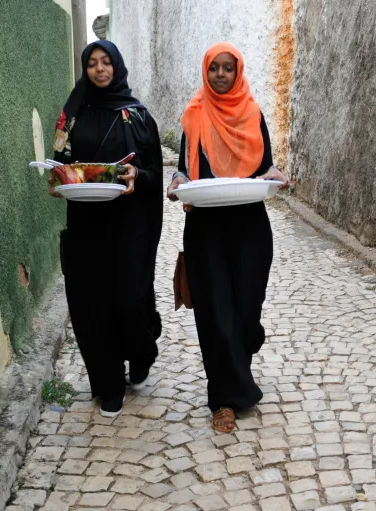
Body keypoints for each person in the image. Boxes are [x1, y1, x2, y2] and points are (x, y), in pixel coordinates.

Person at [167, 42, 287, 433]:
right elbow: (185, 169)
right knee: (215, 313)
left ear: (237, 73)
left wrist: (273, 175)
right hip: (206, 227)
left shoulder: (252, 113)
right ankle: (224, 400)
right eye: (214, 68)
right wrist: (178, 182)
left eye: (227, 68)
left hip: (250, 227)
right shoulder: (195, 114)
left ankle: (248, 338)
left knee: (246, 311)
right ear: (206, 71)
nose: (220, 74)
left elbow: (265, 164)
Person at [50, 41, 163, 418]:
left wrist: (137, 174)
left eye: (106, 62)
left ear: (117, 65)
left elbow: (152, 174)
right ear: (86, 69)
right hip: (85, 223)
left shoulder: (139, 116)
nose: (99, 69)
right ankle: (109, 385)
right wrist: (57, 177)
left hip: (130, 224)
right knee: (91, 306)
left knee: (130, 301)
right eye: (92, 63)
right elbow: (60, 160)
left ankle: (143, 352)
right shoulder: (72, 115)